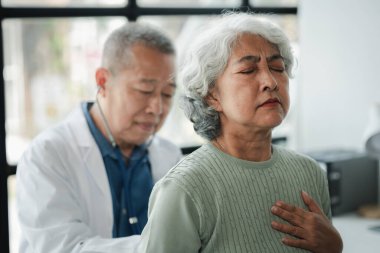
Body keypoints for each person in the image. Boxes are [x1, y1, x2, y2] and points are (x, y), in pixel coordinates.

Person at [137, 12, 343, 253]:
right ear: (212, 95)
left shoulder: (310, 173)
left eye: (278, 67)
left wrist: (334, 247)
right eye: (248, 70)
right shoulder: (183, 190)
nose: (270, 81)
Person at [16, 22, 182, 252]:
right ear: (103, 82)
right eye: (145, 91)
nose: (157, 108)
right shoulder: (46, 156)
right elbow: (64, 248)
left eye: (167, 94)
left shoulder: (169, 156)